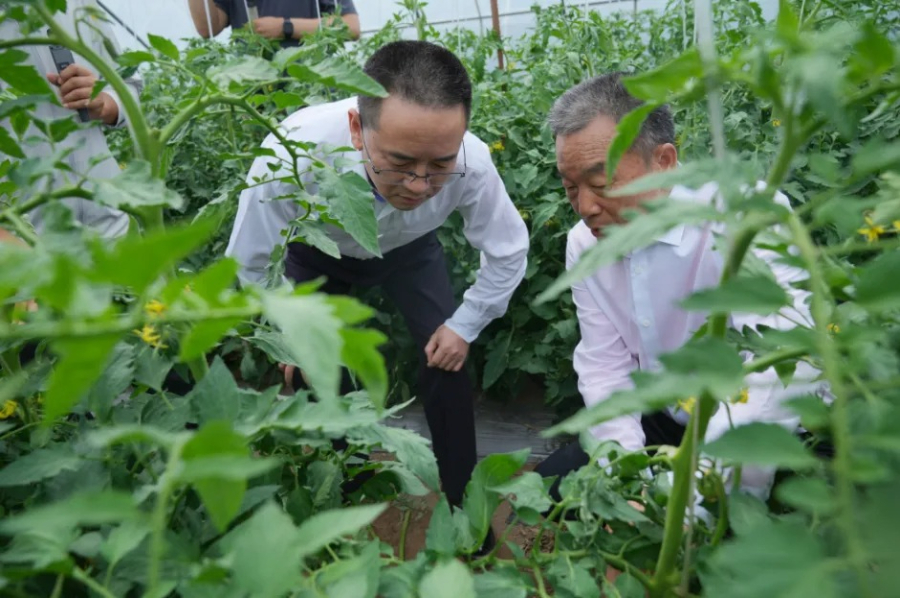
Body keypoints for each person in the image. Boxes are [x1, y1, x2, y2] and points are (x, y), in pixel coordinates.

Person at [225, 40, 529, 545]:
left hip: (410, 250)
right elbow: (251, 261)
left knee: (448, 361)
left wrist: (464, 325)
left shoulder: (472, 162)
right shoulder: (291, 152)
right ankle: (346, 495)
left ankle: (466, 509)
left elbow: (508, 250)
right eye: (400, 162)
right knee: (319, 371)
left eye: (440, 165)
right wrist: (289, 335)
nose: (419, 185)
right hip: (318, 251)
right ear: (355, 129)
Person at [534, 73, 829, 503]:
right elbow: (605, 368)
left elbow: (783, 367)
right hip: (672, 415)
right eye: (569, 187)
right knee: (548, 489)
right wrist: (626, 478)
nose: (585, 207)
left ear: (664, 162)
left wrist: (691, 501)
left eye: (600, 184)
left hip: (773, 424)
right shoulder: (585, 245)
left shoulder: (744, 215)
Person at [0, 0, 139, 239]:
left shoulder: (79, 5)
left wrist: (104, 102)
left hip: (110, 223)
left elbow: (130, 86)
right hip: (28, 237)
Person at [187, 0, 361, 46]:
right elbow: (207, 28)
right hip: (254, 95)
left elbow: (350, 27)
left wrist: (285, 27)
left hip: (310, 90)